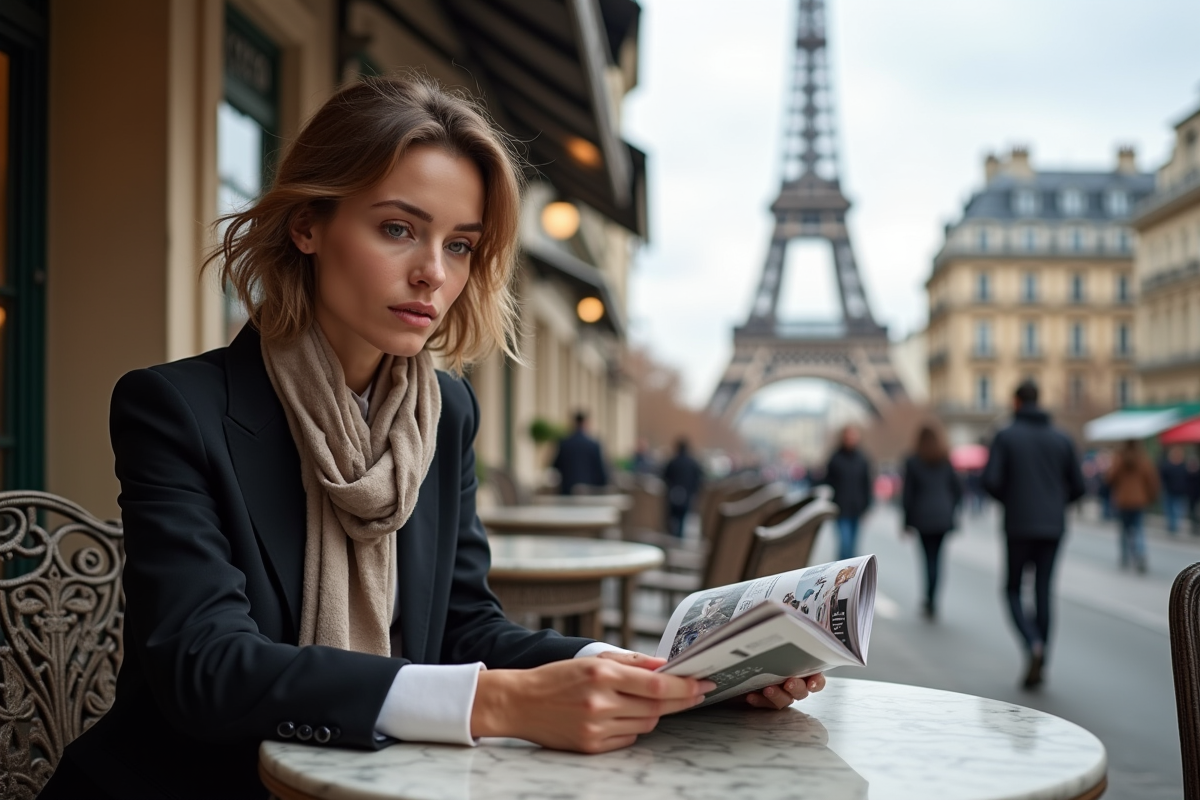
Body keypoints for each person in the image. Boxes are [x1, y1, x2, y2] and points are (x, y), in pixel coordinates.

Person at [39, 76, 823, 800]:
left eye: (459, 245)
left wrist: (666, 679)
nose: (434, 276)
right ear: (308, 225)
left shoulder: (443, 414)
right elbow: (205, 670)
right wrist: (497, 702)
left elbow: (460, 628)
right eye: (397, 229)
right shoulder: (176, 408)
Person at [982, 379, 1085, 689]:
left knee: (1012, 588)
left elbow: (990, 480)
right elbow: (1079, 486)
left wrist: (1013, 500)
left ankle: (1032, 643)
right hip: (1053, 526)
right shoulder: (1062, 438)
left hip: (1018, 524)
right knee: (1043, 590)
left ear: (1016, 402)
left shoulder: (1006, 436)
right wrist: (1054, 503)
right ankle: (1043, 656)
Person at [901, 425, 962, 619]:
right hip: (943, 515)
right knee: (938, 559)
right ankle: (933, 599)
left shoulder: (913, 461)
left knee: (928, 559)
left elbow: (908, 495)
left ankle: (929, 599)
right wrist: (951, 509)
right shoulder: (945, 460)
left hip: (922, 516)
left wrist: (906, 521)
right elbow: (958, 489)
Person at [1107, 440, 1160, 572]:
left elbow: (1109, 479)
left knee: (1124, 530)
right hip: (1139, 500)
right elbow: (1152, 480)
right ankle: (1140, 554)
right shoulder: (1143, 459)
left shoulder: (1119, 459)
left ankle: (1125, 557)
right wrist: (1151, 497)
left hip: (1123, 500)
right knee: (1139, 529)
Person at [823, 425, 873, 560]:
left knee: (852, 546)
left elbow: (867, 484)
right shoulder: (835, 458)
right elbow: (827, 482)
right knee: (845, 544)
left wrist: (867, 506)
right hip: (840, 508)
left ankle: (850, 577)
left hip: (857, 508)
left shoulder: (863, 459)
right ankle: (842, 576)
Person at [552, 410, 609, 495]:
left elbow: (556, 465)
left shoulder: (564, 443)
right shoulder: (593, 444)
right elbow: (600, 470)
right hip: (589, 491)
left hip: (567, 491)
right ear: (586, 423)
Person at [662, 438, 704, 538]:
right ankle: (679, 536)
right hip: (687, 494)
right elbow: (699, 479)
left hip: (672, 494)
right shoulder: (693, 463)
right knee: (682, 519)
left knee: (672, 518)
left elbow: (665, 476)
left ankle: (672, 536)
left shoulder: (672, 462)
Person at [1159, 445, 1190, 534]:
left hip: (1178, 491)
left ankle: (1174, 525)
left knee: (1176, 509)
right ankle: (1172, 526)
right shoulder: (1168, 466)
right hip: (1170, 490)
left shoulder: (1183, 466)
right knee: (1170, 509)